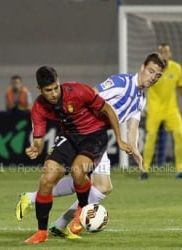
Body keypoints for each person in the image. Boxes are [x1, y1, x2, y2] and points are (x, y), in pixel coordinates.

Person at [15, 53, 166, 238]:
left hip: (96, 136)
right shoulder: (121, 82)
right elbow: (93, 94)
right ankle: (66, 218)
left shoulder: (141, 98)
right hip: (91, 132)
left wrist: (133, 148)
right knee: (97, 184)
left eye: (157, 75)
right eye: (151, 71)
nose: (153, 78)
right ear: (142, 67)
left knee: (91, 181)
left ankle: (47, 211)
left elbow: (133, 125)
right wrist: (80, 122)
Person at [23, 66, 133, 244]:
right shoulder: (39, 107)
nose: (53, 94)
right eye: (48, 91)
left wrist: (120, 139)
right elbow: (38, 138)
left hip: (94, 136)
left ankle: (82, 208)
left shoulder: (78, 91)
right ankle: (41, 232)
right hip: (69, 137)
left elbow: (108, 109)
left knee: (78, 171)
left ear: (59, 82)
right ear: (40, 90)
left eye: (55, 88)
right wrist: (35, 147)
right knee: (46, 179)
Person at [142, 42, 182, 180]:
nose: (164, 54)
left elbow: (181, 87)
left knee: (179, 135)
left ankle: (180, 170)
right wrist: (141, 104)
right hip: (154, 109)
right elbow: (141, 84)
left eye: (166, 51)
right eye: (161, 51)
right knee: (151, 137)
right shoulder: (150, 69)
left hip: (171, 109)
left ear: (170, 54)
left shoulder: (176, 68)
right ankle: (145, 170)